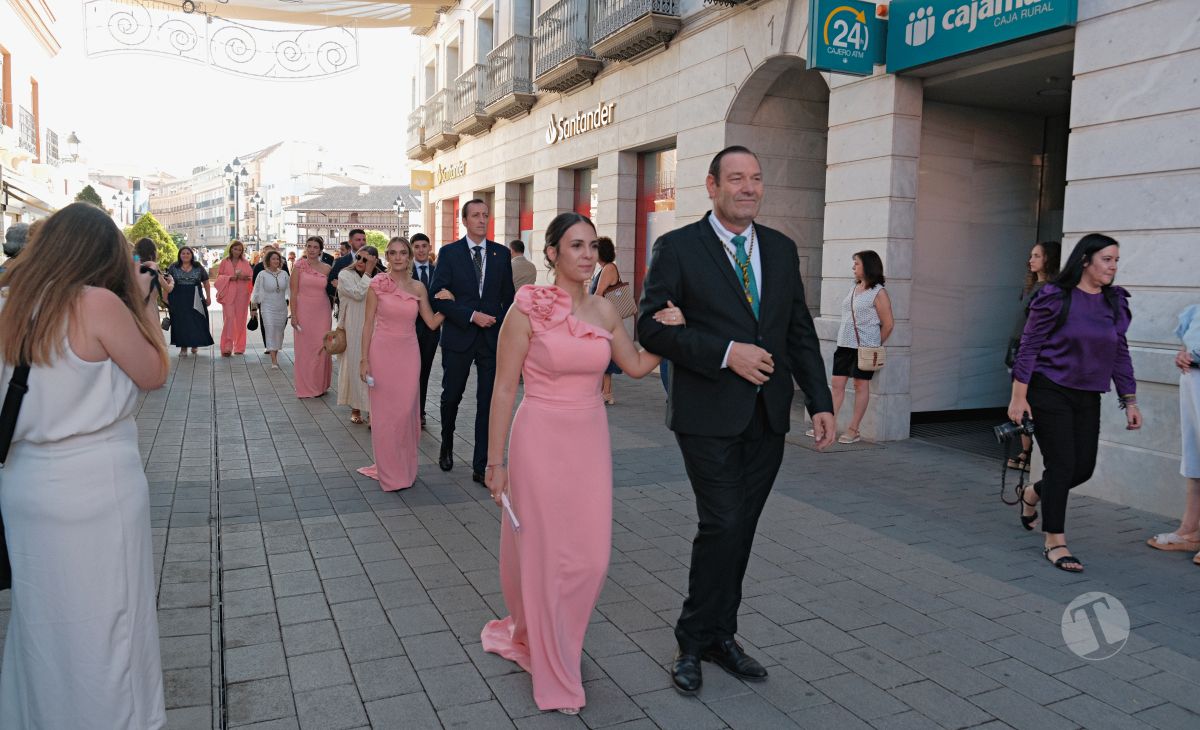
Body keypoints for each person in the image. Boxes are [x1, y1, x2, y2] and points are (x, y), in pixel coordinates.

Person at [637, 146, 835, 695]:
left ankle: (720, 635)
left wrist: (820, 401)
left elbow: (797, 329)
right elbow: (649, 329)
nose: (748, 188)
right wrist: (727, 353)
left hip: (768, 416)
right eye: (737, 178)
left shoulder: (780, 248)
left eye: (756, 178)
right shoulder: (678, 248)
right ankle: (691, 640)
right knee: (722, 523)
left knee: (740, 529)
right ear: (712, 186)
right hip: (706, 415)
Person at [481, 212, 684, 714]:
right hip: (538, 440)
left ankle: (554, 638)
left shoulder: (605, 309)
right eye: (576, 245)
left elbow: (634, 365)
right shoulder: (526, 308)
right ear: (552, 253)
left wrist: (672, 335)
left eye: (592, 245)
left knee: (592, 559)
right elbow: (504, 388)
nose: (588, 254)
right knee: (547, 557)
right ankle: (555, 664)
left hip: (589, 441)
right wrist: (495, 462)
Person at [0, 202, 169, 728]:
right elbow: (153, 372)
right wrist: (144, 303)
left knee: (40, 622)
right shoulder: (96, 303)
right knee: (109, 622)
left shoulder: (9, 302)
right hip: (95, 483)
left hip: (24, 481)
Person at [1009, 233, 1141, 573]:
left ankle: (1033, 493)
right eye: (1106, 259)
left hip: (1088, 393)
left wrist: (1129, 399)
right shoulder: (1056, 296)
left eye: (1116, 260)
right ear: (1085, 260)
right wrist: (1018, 397)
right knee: (1062, 465)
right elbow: (1029, 347)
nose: (1113, 266)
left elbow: (1119, 352)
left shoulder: (1113, 302)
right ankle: (1055, 541)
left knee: (1083, 468)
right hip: (1049, 388)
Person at [429, 199, 516, 482]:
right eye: (475, 215)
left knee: (488, 401)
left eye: (485, 215)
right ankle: (446, 444)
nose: (481, 219)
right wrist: (470, 315)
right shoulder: (449, 253)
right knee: (451, 396)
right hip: (459, 336)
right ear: (464, 221)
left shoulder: (501, 254)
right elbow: (436, 296)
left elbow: (509, 299)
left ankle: (482, 464)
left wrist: (499, 322)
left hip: (491, 339)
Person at [357, 237, 454, 490]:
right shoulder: (377, 284)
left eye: (402, 253)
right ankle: (389, 470)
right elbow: (368, 324)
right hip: (382, 353)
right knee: (384, 415)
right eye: (393, 253)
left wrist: (448, 305)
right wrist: (364, 359)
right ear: (387, 257)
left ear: (409, 257)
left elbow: (431, 323)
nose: (398, 257)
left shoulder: (419, 287)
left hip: (409, 355)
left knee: (404, 413)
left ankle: (403, 465)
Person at [1145, 305, 1200, 564]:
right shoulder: (1196, 309)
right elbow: (1189, 342)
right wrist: (1182, 355)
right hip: (1193, 381)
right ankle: (1190, 530)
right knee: (1194, 456)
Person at [827, 250, 893, 444]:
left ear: (868, 266)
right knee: (837, 384)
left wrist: (874, 344)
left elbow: (888, 324)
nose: (853, 267)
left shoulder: (878, 292)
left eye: (857, 263)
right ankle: (828, 425)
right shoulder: (854, 286)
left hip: (864, 347)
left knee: (860, 385)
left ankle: (853, 429)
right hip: (844, 344)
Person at [1006, 241, 1061, 470]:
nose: (1031, 260)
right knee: (1020, 402)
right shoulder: (1033, 286)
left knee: (1027, 401)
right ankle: (1025, 452)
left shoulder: (1050, 289)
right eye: (1031, 255)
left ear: (1049, 259)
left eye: (1037, 256)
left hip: (1030, 352)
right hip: (1017, 348)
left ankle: (1029, 454)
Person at [338, 245, 384, 424]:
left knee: (375, 366)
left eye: (366, 259)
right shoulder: (345, 274)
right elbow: (358, 294)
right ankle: (356, 407)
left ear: (374, 261)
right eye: (358, 257)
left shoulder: (380, 276)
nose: (361, 262)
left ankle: (373, 411)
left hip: (375, 325)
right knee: (355, 365)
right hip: (353, 326)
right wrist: (368, 272)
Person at [291, 236, 333, 397]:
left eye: (315, 247)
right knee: (304, 350)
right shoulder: (299, 266)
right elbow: (293, 292)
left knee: (322, 347)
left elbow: (332, 291)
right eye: (309, 246)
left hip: (322, 311)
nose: (312, 249)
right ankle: (306, 388)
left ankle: (320, 386)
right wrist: (293, 315)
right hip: (303, 310)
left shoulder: (327, 268)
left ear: (321, 250)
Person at [588, 236, 624, 405]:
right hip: (602, 318)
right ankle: (606, 393)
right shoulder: (603, 268)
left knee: (602, 355)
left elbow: (598, 293)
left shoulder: (609, 268)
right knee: (603, 355)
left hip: (604, 319)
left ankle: (605, 392)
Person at [411, 233, 439, 427]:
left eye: (424, 246)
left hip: (431, 330)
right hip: (408, 328)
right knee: (408, 371)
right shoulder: (404, 272)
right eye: (417, 246)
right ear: (412, 249)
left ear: (429, 248)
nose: (421, 250)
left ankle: (419, 412)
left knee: (424, 371)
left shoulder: (439, 271)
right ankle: (407, 410)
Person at [166, 246, 214, 356]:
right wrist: (165, 298)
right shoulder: (173, 267)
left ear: (192, 255)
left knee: (196, 321)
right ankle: (183, 348)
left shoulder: (198, 266)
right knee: (181, 322)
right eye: (183, 253)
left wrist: (208, 297)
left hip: (196, 297)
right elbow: (167, 282)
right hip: (178, 297)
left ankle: (194, 344)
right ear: (179, 255)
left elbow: (206, 282)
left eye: (188, 253)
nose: (185, 255)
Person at [251, 250, 290, 368]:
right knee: (270, 329)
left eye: (278, 259)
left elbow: (290, 291)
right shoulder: (262, 274)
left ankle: (275, 353)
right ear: (268, 261)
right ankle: (274, 360)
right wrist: (253, 309)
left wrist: (293, 307)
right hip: (267, 306)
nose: (276, 261)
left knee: (279, 332)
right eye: (273, 259)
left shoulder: (284, 274)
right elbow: (255, 292)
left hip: (281, 307)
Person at [214, 240, 253, 357]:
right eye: (235, 249)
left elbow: (251, 277)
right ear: (231, 249)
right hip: (228, 295)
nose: (237, 251)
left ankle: (239, 346)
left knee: (241, 320)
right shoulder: (224, 262)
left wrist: (244, 277)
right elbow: (219, 278)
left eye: (240, 250)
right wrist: (229, 278)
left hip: (242, 294)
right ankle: (227, 346)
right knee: (229, 319)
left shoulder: (245, 262)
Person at [134, 237, 174, 342]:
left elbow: (134, 259)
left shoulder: (133, 268)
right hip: (150, 309)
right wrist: (171, 281)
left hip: (134, 309)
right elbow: (169, 289)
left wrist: (136, 256)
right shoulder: (154, 269)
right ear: (153, 253)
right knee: (153, 340)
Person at [328, 230, 366, 297]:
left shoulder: (374, 260)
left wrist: (341, 286)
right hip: (346, 302)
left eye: (364, 240)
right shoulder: (340, 262)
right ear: (350, 242)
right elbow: (331, 285)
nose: (362, 242)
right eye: (358, 240)